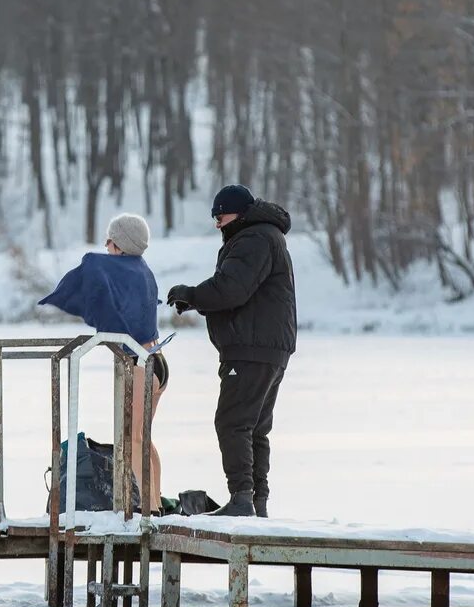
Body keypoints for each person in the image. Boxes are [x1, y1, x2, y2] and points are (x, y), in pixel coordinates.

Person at [165, 184, 296, 517]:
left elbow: (231, 289)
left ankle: (242, 500)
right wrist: (197, 300)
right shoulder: (265, 236)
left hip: (251, 349)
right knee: (254, 428)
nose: (218, 224)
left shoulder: (253, 239)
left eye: (220, 216)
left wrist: (191, 294)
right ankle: (256, 502)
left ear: (237, 212)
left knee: (232, 422)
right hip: (267, 348)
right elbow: (238, 291)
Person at [39, 213, 168, 513]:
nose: (105, 245)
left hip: (139, 365)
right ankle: (155, 502)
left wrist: (83, 272)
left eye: (110, 240)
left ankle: (147, 508)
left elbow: (94, 268)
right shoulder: (143, 272)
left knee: (131, 439)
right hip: (158, 361)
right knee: (142, 438)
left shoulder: (122, 269)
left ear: (122, 245)